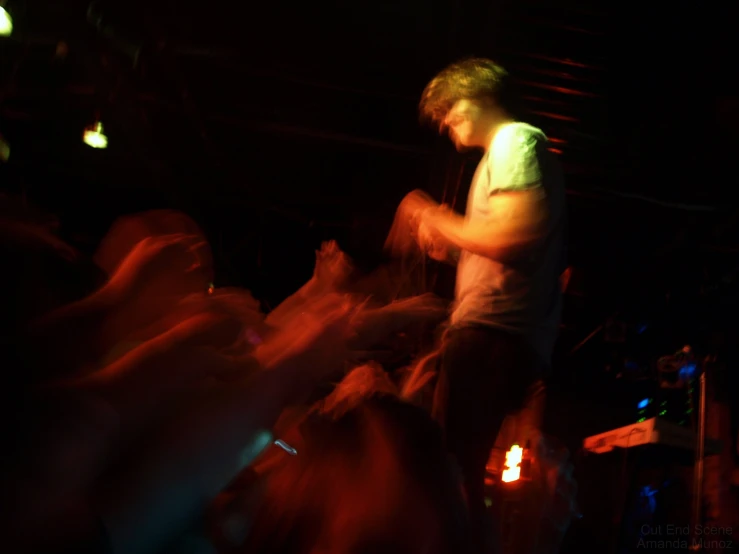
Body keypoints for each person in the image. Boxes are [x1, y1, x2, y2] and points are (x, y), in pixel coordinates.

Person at [404, 58, 567, 552]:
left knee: (450, 476)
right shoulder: (509, 150)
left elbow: (516, 236)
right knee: (460, 475)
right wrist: (452, 244)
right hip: (503, 338)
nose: (443, 123)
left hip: (491, 337)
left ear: (476, 97)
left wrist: (432, 213)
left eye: (447, 111)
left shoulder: (514, 140)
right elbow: (505, 242)